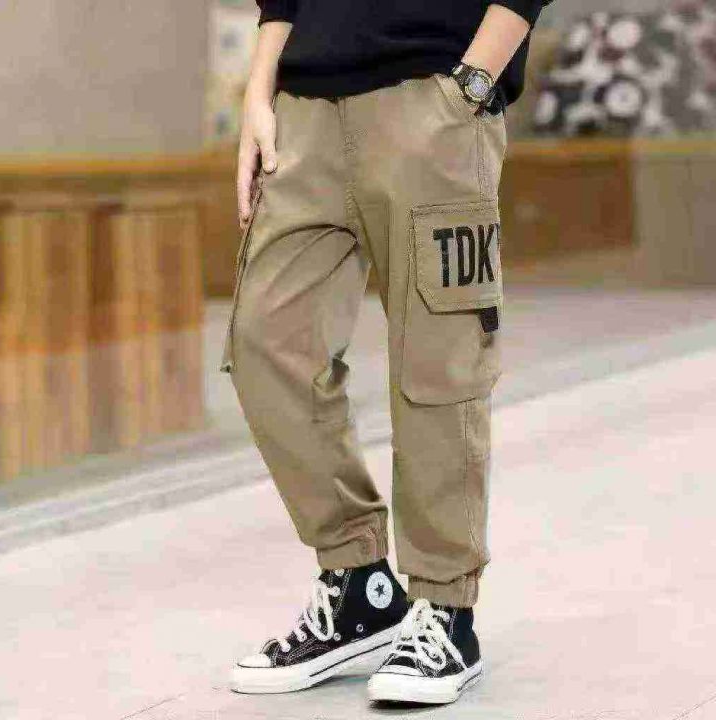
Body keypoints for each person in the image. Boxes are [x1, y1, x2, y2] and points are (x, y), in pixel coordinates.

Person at [222, 0, 552, 705]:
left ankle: (446, 607)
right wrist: (258, 94)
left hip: (430, 98)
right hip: (303, 112)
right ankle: (359, 585)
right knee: (265, 344)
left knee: (438, 362)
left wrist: (471, 84)